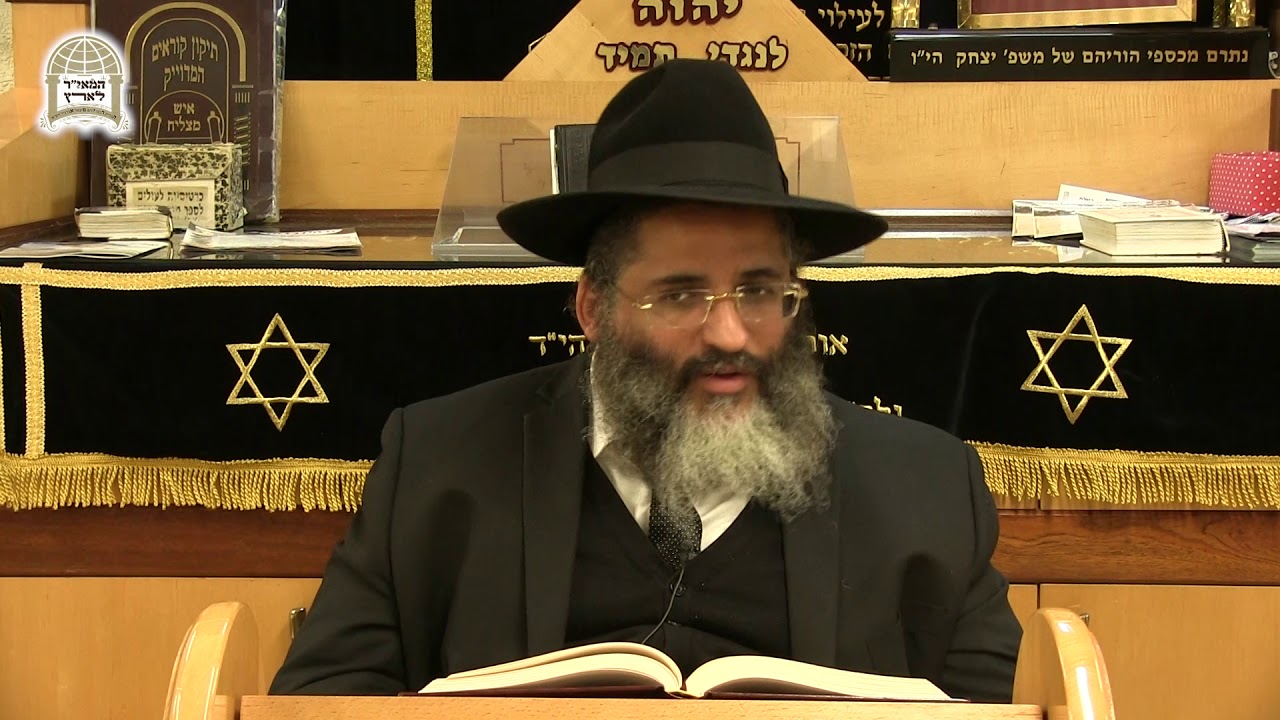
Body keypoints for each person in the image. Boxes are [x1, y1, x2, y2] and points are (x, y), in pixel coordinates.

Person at [270, 59, 1022, 702]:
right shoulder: (439, 464)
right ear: (593, 309)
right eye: (682, 295)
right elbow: (320, 704)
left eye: (760, 291)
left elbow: (1013, 708)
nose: (730, 336)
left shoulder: (928, 491)